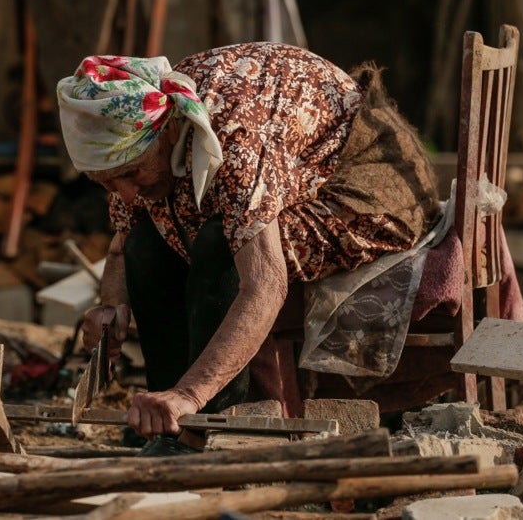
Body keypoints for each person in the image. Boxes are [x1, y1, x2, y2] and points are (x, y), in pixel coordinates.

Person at [56, 42, 442, 454]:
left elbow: (264, 286)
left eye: (131, 174)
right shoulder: (131, 144)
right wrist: (111, 305)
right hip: (277, 166)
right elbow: (123, 242)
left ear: (169, 128)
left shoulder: (235, 143)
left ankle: (214, 426)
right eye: (108, 184)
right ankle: (167, 425)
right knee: (148, 241)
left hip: (364, 181)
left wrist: (192, 393)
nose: (126, 194)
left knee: (220, 244)